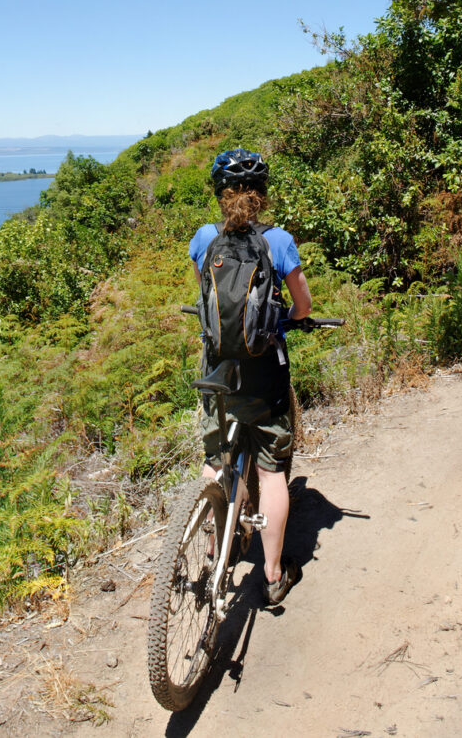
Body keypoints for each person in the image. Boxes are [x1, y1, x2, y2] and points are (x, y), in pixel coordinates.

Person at [189, 147, 313, 605]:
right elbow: (303, 306)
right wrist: (290, 318)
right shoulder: (278, 241)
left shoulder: (204, 238)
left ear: (221, 196)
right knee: (272, 471)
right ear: (262, 194)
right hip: (264, 372)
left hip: (218, 369)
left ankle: (207, 551)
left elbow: (207, 299)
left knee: (216, 455)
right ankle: (274, 574)